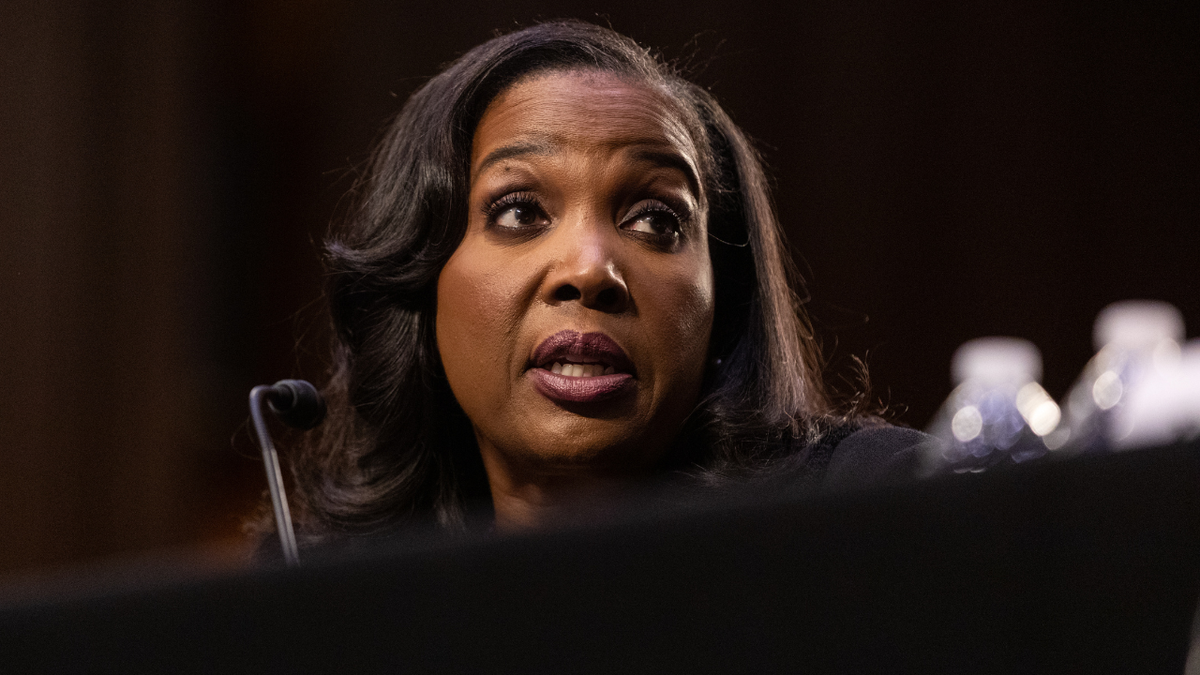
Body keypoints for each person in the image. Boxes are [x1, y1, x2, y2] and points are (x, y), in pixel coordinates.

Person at [275, 20, 926, 544]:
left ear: (721, 297)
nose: (590, 270)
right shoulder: (323, 603)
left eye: (655, 220)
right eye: (521, 212)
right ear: (420, 284)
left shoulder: (889, 504)